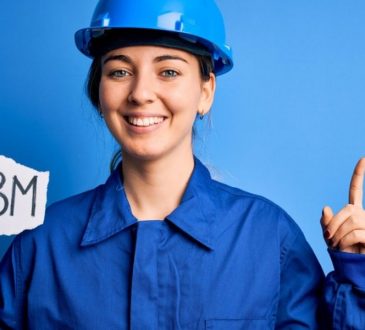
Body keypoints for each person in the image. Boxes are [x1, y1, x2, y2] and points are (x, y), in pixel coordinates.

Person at [0, 0, 365, 328]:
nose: (141, 93)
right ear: (100, 90)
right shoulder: (40, 245)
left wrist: (358, 277)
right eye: (119, 72)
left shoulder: (269, 239)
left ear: (206, 91)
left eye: (169, 71)